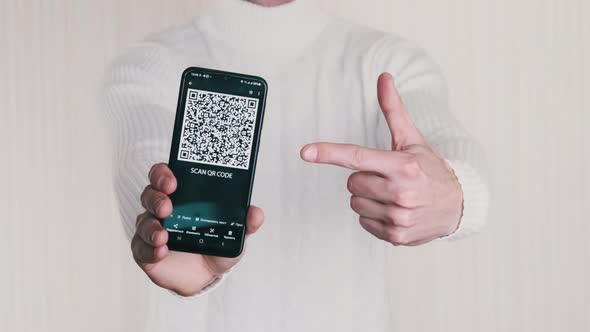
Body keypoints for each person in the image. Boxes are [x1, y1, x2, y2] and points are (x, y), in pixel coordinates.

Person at [100, 0, 491, 331]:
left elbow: (444, 139)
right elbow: (145, 161)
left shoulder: (387, 61)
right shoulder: (148, 65)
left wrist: (455, 193)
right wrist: (168, 230)